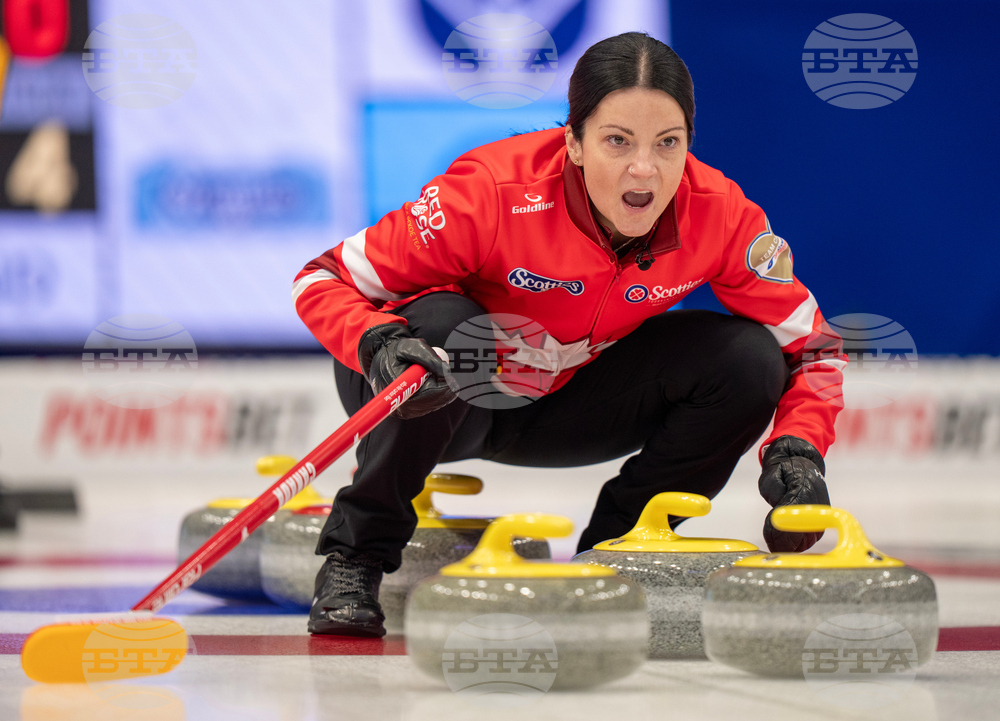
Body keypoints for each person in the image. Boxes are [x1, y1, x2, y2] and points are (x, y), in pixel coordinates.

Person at [293, 32, 846, 637]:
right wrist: (375, 342)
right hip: (429, 392)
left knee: (749, 359)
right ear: (574, 144)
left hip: (561, 404)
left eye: (669, 144)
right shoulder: (489, 193)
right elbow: (322, 277)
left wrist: (799, 447)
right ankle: (356, 557)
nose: (645, 169)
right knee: (446, 323)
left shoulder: (720, 215)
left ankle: (616, 554)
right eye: (617, 141)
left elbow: (811, 347)